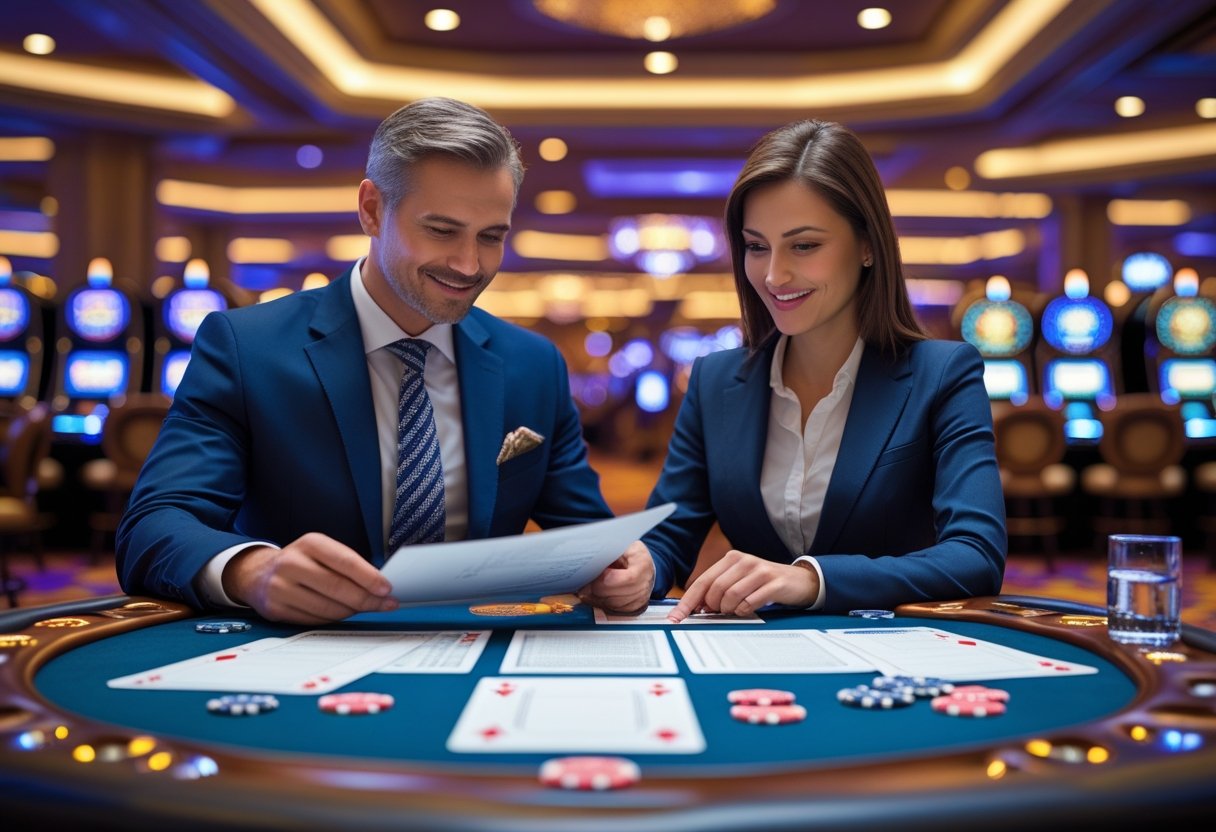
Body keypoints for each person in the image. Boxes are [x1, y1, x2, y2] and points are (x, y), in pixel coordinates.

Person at [116, 97, 652, 624]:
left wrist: (625, 567)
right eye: (441, 230)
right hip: (305, 654)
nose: (469, 265)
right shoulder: (246, 347)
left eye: (491, 237)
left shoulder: (532, 363)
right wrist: (255, 571)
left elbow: (587, 535)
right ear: (372, 209)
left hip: (478, 649)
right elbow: (155, 524)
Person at [644, 118, 1007, 623]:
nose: (773, 275)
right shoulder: (714, 381)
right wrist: (640, 567)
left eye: (804, 245)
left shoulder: (943, 374)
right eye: (756, 246)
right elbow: (667, 537)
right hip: (756, 659)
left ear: (867, 246)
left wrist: (812, 578)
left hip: (899, 659)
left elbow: (975, 555)